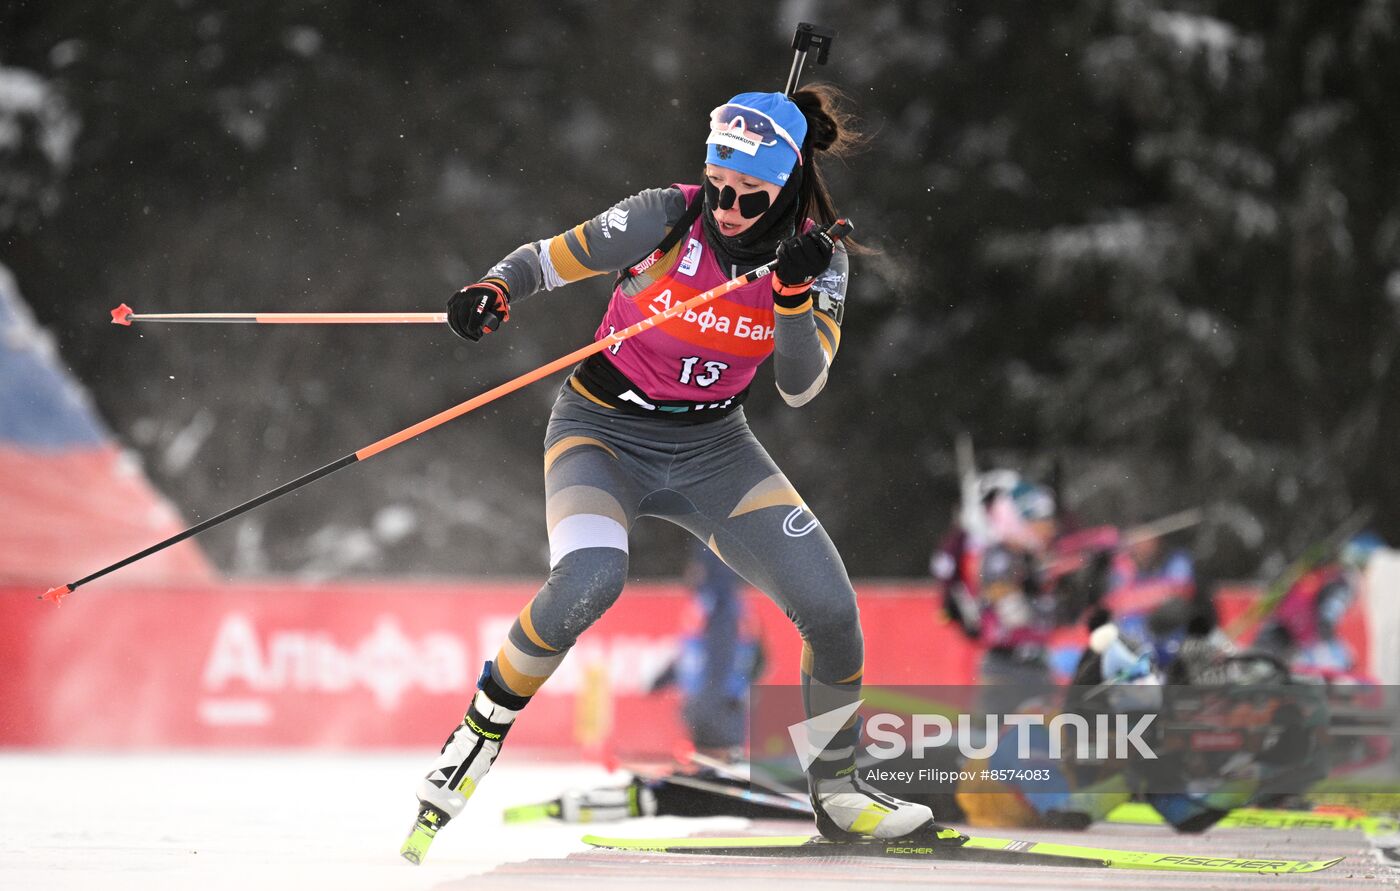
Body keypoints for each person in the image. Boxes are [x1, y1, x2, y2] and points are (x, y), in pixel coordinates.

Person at [401, 86, 939, 863]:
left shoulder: (819, 259)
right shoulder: (667, 214)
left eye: (748, 197)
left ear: (785, 185)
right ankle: (475, 736)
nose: (725, 207)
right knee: (590, 577)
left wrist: (790, 296)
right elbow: (547, 260)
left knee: (830, 609)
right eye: (718, 186)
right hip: (600, 432)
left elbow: (799, 383)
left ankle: (842, 792)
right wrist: (496, 287)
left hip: (714, 449)